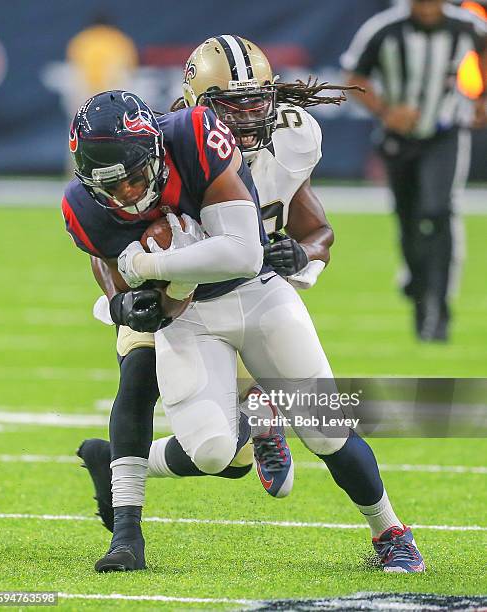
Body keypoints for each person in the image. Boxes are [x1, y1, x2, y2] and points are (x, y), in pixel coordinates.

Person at [69, 39, 424, 575]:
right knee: (187, 426)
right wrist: (124, 298)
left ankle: (390, 531)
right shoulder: (149, 158)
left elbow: (266, 243)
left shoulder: (277, 140)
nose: (249, 115)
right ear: (197, 106)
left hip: (255, 286)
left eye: (256, 101)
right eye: (232, 106)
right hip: (182, 312)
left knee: (326, 424)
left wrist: (300, 252)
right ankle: (129, 512)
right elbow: (109, 250)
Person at [341, 0, 487, 341]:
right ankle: (421, 287)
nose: (426, 7)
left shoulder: (466, 27)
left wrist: (481, 98)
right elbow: (353, 76)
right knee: (408, 218)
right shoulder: (383, 29)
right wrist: (386, 111)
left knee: (438, 211)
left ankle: (437, 306)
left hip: (445, 133)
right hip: (398, 139)